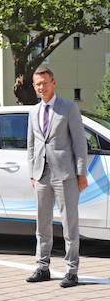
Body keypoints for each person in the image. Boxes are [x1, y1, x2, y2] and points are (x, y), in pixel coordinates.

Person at [27, 67, 88, 288]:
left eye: (45, 82)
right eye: (37, 84)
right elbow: (31, 145)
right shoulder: (33, 111)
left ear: (53, 83)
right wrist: (32, 173)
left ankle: (71, 271)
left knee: (69, 225)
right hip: (41, 175)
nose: (41, 87)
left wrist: (81, 173)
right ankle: (43, 267)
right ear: (34, 87)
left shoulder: (69, 108)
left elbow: (81, 143)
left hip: (66, 175)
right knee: (42, 225)